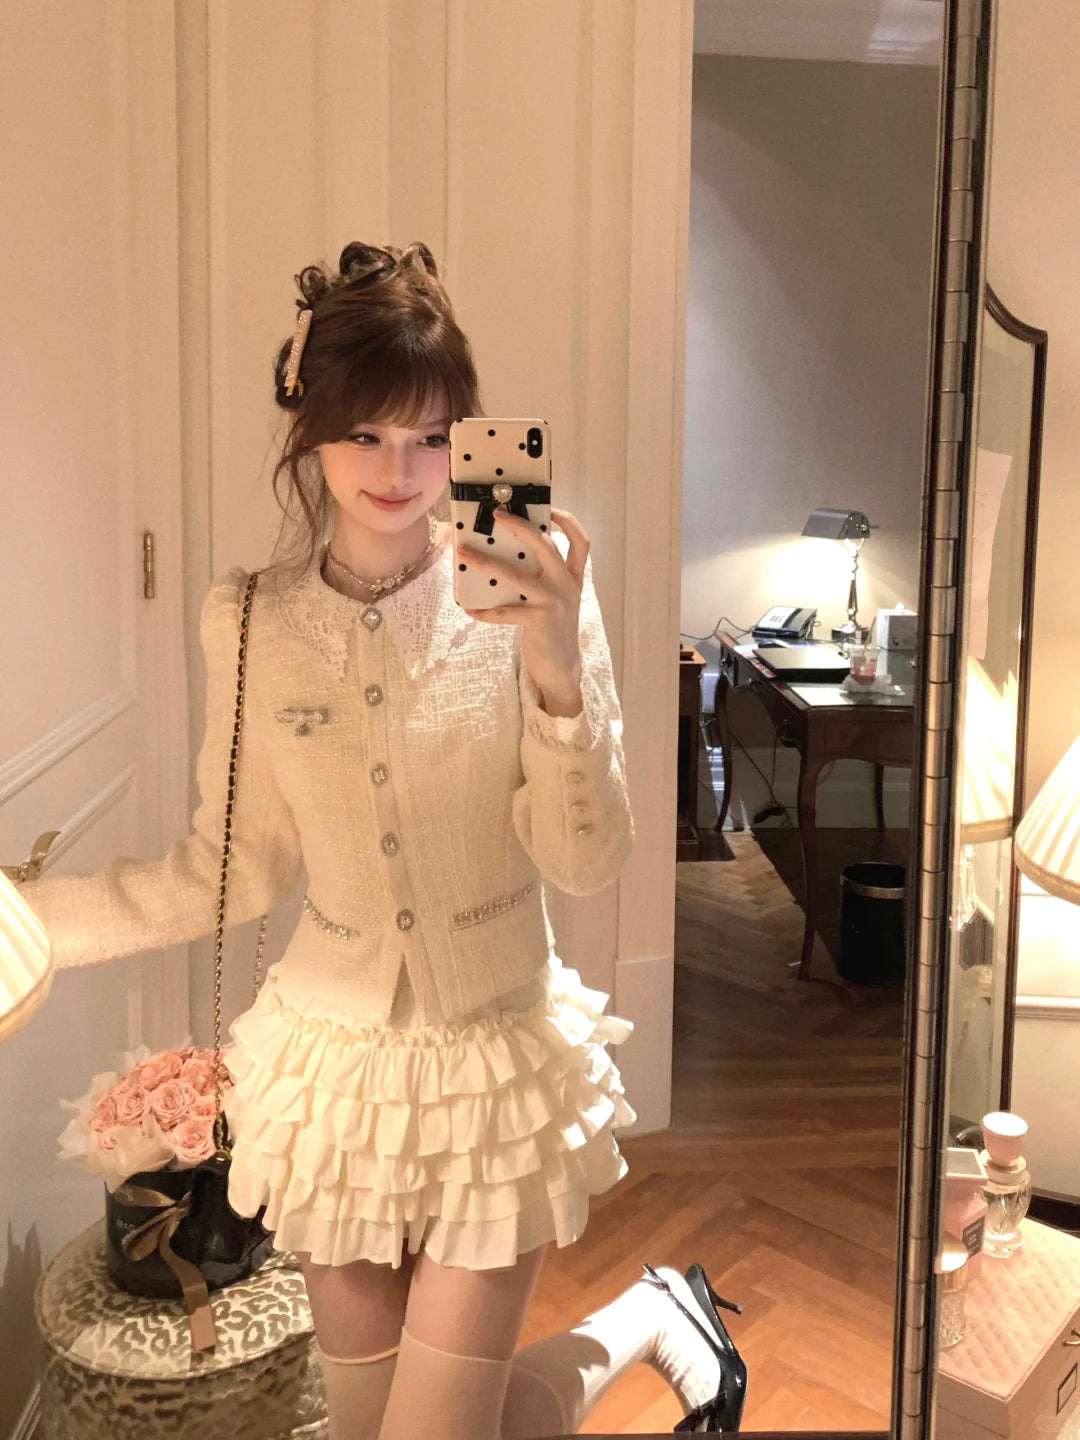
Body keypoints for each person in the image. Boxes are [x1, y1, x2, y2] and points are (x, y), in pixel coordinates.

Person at [21, 241, 745, 1438]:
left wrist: (557, 669)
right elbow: (231, 869)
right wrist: (29, 919)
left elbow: (585, 860)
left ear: (467, 438)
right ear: (306, 429)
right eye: (363, 434)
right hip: (330, 1080)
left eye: (429, 436)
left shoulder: (530, 593)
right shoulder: (252, 622)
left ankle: (655, 1313)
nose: (398, 470)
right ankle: (659, 1312)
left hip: (493, 1060)